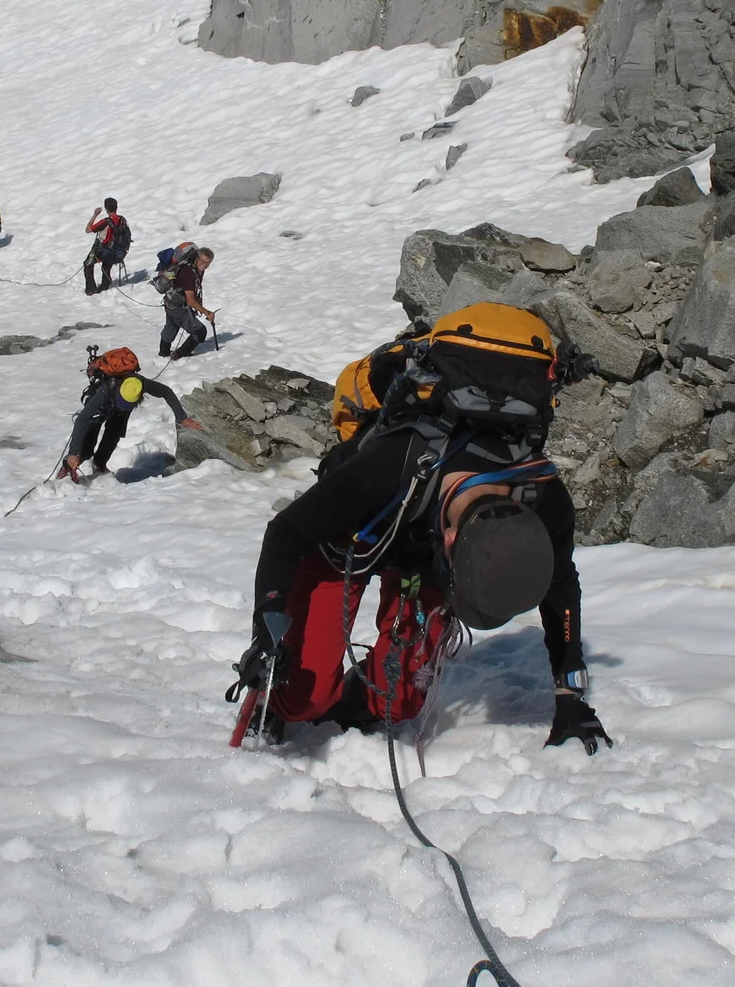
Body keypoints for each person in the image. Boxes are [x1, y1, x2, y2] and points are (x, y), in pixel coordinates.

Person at [229, 304, 610, 753]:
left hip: (420, 555)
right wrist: (268, 626)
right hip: (351, 540)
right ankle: (281, 702)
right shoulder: (393, 464)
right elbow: (287, 533)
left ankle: (355, 700)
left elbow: (560, 588)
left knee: (400, 703)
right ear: (450, 542)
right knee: (303, 698)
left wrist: (571, 697)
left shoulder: (541, 494)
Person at [60, 347, 201, 481]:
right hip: (101, 408)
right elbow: (82, 419)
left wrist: (182, 418)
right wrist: (74, 453)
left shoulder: (140, 384)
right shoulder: (105, 391)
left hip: (117, 411)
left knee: (113, 435)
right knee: (86, 447)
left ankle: (100, 465)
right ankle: (67, 467)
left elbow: (166, 392)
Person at [159, 246, 214, 360]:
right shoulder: (189, 273)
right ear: (197, 258)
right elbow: (191, 300)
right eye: (203, 261)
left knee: (171, 327)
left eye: (208, 263)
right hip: (178, 307)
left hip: (170, 302)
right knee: (200, 331)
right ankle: (178, 355)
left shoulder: (195, 268)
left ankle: (163, 353)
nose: (205, 265)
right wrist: (207, 312)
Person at [83, 198, 130, 295]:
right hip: (119, 252)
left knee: (88, 264)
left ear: (106, 209)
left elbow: (88, 230)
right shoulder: (123, 220)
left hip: (104, 252)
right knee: (107, 264)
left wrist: (95, 215)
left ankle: (91, 289)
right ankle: (105, 283)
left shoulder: (105, 222)